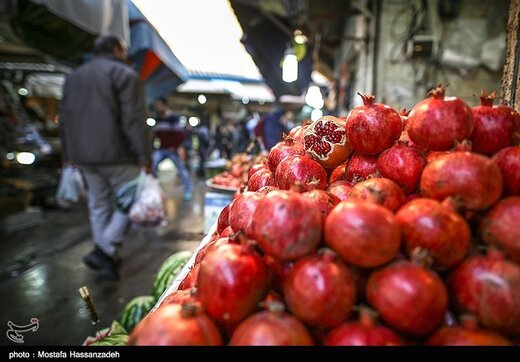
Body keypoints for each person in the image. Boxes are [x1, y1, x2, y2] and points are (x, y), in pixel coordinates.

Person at [59, 34, 152, 280]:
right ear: (116, 49)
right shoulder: (124, 74)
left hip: (82, 155)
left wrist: (67, 154)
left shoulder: (74, 77)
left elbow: (64, 120)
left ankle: (107, 257)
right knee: (132, 198)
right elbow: (134, 120)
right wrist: (144, 156)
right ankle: (105, 250)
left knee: (98, 205)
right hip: (118, 153)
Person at [151, 97, 193, 201]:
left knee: (182, 170)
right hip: (162, 149)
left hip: (173, 150)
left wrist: (174, 147)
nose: (157, 107)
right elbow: (155, 135)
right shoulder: (158, 119)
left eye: (159, 105)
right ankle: (152, 190)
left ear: (165, 105)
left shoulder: (173, 119)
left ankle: (188, 191)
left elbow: (180, 135)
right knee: (152, 166)